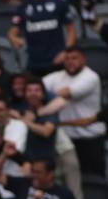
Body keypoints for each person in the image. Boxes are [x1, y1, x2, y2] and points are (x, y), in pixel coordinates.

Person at [43, 46, 106, 176]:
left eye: (74, 58)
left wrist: (41, 103)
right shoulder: (56, 76)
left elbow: (66, 93)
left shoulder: (91, 76)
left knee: (93, 179)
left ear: (83, 59)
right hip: (67, 140)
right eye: (67, 58)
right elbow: (37, 87)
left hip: (90, 138)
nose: (70, 61)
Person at [8, 0, 76, 76]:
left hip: (57, 62)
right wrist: (14, 38)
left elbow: (71, 31)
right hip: (34, 64)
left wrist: (65, 52)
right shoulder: (23, 7)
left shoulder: (58, 3)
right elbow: (12, 32)